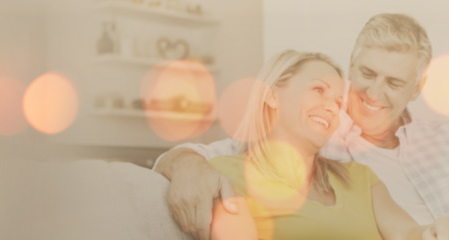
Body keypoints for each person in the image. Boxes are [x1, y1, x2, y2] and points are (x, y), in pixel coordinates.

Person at [154, 13, 449, 239]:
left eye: (394, 82)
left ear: (416, 89)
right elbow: (230, 153)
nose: (373, 91)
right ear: (352, 66)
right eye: (367, 73)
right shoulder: (319, 134)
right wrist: (186, 166)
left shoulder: (438, 139)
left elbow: (412, 232)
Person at [204, 49, 448, 239]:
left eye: (338, 101)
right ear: (271, 94)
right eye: (319, 89)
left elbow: (406, 233)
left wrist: (434, 232)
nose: (332, 108)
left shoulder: (361, 178)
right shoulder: (225, 175)